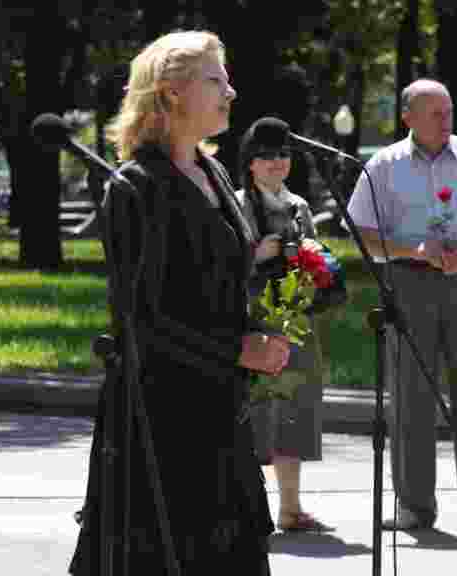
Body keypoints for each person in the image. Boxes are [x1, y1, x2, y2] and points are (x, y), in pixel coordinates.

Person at [68, 31, 290, 575]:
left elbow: (221, 282)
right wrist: (237, 350)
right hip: (159, 422)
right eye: (215, 79)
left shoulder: (214, 173)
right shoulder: (136, 186)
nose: (231, 91)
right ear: (169, 93)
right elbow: (141, 321)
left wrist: (264, 326)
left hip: (220, 412)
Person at [346, 78, 457, 533]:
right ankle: (413, 505)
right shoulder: (382, 166)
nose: (446, 121)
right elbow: (359, 230)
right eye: (435, 114)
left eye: (449, 112)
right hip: (408, 283)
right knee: (410, 395)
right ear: (408, 117)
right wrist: (410, 250)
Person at [236, 116, 333, 533]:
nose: (277, 162)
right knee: (254, 413)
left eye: (283, 154)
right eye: (267, 156)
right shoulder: (237, 203)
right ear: (251, 163)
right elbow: (218, 267)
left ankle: (290, 508)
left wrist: (313, 260)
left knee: (293, 411)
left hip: (296, 318)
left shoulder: (299, 206)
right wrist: (257, 255)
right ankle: (245, 506)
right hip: (254, 320)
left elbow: (314, 260)